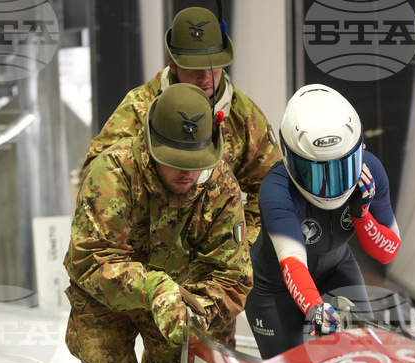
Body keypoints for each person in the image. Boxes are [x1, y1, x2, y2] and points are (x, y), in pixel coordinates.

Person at [63, 83, 252, 363]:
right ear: (150, 146)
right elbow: (92, 258)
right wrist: (153, 288)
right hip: (107, 294)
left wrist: (198, 310)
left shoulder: (218, 184)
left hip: (178, 298)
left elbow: (232, 276)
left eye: (195, 165)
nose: (187, 176)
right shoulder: (113, 172)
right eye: (176, 164)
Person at [83, 5, 281, 275]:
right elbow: (96, 183)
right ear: (173, 64)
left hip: (205, 272)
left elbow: (273, 189)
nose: (204, 77)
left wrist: (238, 246)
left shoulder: (243, 115)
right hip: (137, 269)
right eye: (193, 68)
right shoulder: (139, 108)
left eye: (213, 67)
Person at [245, 84, 402, 359]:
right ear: (291, 160)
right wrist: (314, 308)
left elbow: (387, 252)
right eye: (317, 173)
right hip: (274, 288)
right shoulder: (276, 189)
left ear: (358, 152)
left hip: (336, 268)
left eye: (343, 168)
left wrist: (362, 216)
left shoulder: (371, 169)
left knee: (367, 357)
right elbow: (292, 263)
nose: (332, 187)